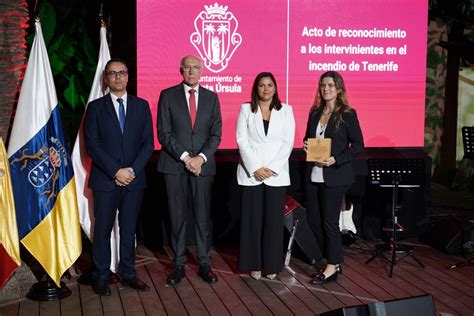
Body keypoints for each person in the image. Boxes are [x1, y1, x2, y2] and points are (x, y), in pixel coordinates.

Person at [84, 58, 154, 295]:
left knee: (128, 229)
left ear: (127, 76)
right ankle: (101, 275)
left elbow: (147, 144)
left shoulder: (141, 106)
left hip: (134, 181)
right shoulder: (94, 108)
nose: (117, 77)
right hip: (105, 180)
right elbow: (92, 146)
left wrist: (131, 171)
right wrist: (116, 171)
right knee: (102, 229)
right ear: (106, 78)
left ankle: (129, 274)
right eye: (112, 73)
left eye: (121, 72)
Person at [157, 55, 222, 285]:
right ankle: (178, 264)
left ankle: (205, 264)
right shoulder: (167, 95)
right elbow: (163, 133)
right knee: (177, 216)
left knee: (203, 217)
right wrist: (187, 158)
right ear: (180, 70)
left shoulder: (213, 98)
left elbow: (216, 135)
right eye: (187, 68)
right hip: (174, 165)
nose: (192, 72)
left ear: (202, 71)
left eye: (196, 68)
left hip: (203, 167)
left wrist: (200, 159)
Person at [303, 71, 364, 284]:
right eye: (323, 85)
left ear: (338, 88)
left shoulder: (347, 113)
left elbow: (357, 145)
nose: (326, 89)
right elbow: (307, 138)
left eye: (330, 85)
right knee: (314, 221)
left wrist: (335, 159)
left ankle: (332, 265)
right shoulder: (314, 112)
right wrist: (306, 145)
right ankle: (332, 259)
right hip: (313, 175)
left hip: (335, 176)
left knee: (330, 223)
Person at [236, 72, 295, 280]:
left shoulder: (286, 111)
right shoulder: (245, 109)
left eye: (270, 85)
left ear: (275, 89)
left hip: (276, 175)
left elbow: (288, 142)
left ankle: (271, 265)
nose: (266, 89)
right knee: (253, 220)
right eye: (262, 85)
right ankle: (254, 264)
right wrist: (256, 168)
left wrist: (271, 168)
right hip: (252, 174)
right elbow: (241, 140)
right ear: (256, 88)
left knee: (273, 221)